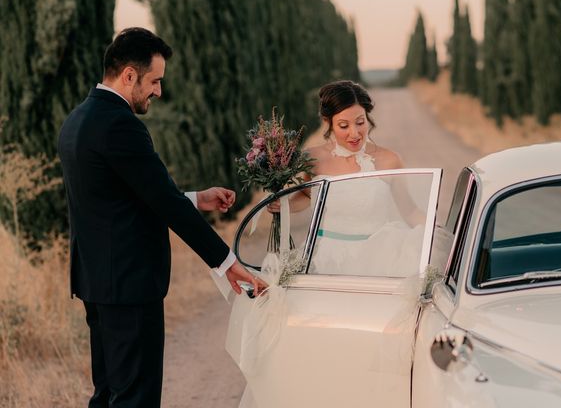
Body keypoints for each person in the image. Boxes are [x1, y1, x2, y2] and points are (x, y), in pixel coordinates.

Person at [57, 27, 266, 407]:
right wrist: (227, 262)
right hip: (130, 285)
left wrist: (195, 198)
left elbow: (122, 198)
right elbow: (164, 204)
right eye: (154, 81)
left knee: (108, 394)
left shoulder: (79, 119)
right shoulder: (121, 125)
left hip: (98, 282)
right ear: (130, 75)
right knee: (135, 398)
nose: (158, 91)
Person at [270, 80, 425, 276]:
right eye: (344, 125)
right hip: (328, 256)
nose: (355, 133)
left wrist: (433, 228)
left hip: (378, 257)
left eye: (360, 122)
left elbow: (409, 210)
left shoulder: (390, 160)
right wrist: (283, 205)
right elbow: (308, 196)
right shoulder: (312, 158)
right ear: (328, 123)